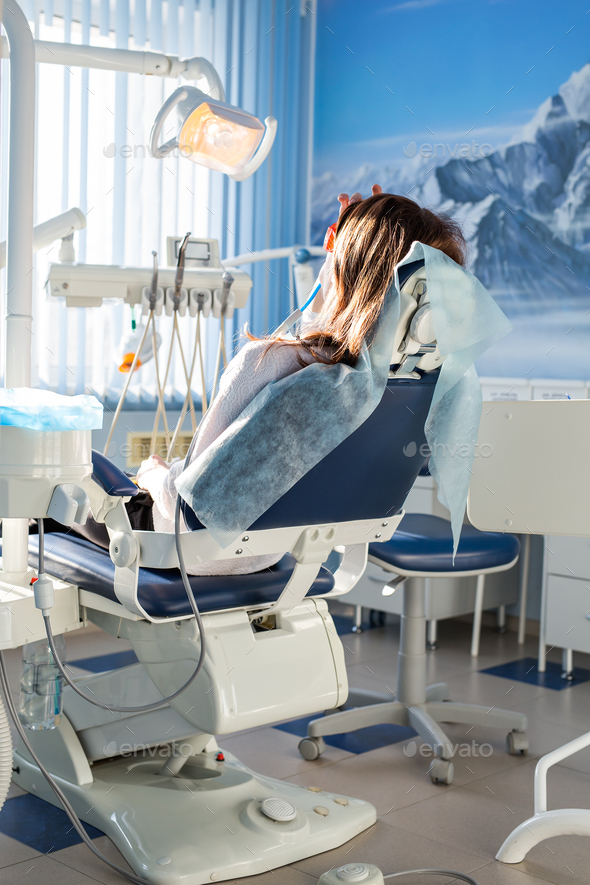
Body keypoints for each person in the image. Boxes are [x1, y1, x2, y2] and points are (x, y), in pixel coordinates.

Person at [75, 187, 466, 575]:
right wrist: (340, 259)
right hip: (267, 555)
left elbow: (186, 504)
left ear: (346, 276)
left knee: (73, 470)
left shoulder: (268, 362)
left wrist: (153, 473)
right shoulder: (408, 392)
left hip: (177, 548)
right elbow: (335, 342)